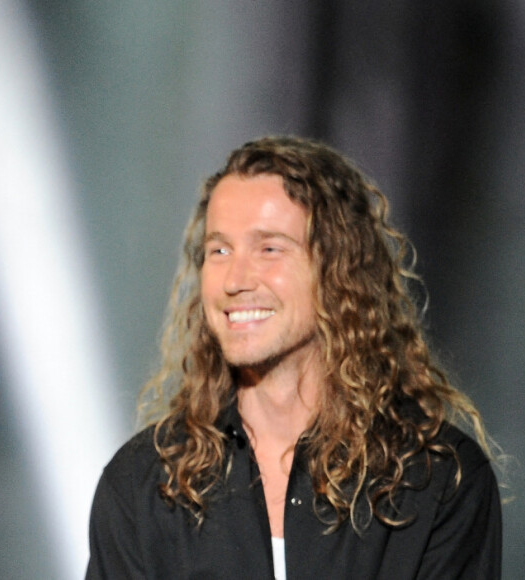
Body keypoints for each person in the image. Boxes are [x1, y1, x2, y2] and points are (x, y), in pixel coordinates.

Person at [86, 136, 502, 579]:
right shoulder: (142, 485)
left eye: (269, 248)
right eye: (219, 250)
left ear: (337, 270)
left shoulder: (437, 480)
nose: (235, 279)